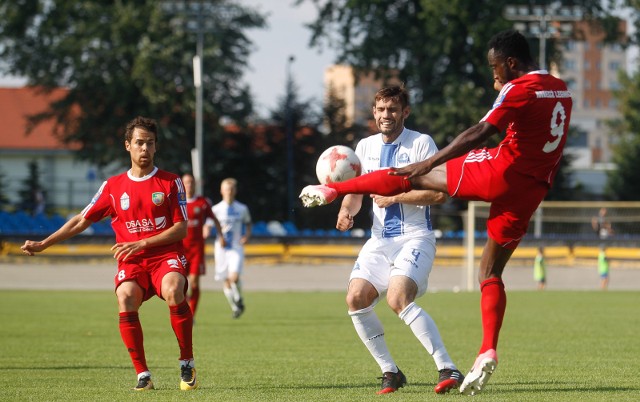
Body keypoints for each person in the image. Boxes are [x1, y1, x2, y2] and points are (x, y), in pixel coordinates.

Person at [299, 29, 573, 395]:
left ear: (510, 63)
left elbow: (480, 132)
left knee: (409, 176)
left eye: (495, 70)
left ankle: (332, 189)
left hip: (500, 171)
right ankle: (485, 349)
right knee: (489, 272)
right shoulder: (562, 90)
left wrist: (429, 162)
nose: (494, 79)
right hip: (532, 189)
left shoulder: (516, 89)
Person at [21, 116, 198, 392]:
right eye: (139, 142)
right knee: (125, 296)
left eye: (150, 143)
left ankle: (186, 362)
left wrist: (142, 243)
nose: (145, 149)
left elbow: (181, 229)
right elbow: (81, 220)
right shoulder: (113, 187)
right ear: (127, 145)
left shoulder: (171, 182)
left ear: (156, 147)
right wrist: (45, 243)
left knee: (175, 290)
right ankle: (143, 374)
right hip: (133, 262)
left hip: (165, 257)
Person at [336, 85, 464, 395]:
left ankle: (448, 367)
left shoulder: (421, 144)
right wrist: (345, 211)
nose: (385, 115)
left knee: (397, 299)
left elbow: (440, 192)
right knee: (355, 299)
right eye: (380, 110)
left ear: (405, 112)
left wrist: (397, 196)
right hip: (378, 241)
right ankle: (389, 371)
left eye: (392, 110)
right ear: (374, 113)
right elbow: (356, 192)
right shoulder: (364, 147)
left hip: (415, 238)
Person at [206, 178, 252, 319]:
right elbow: (208, 225)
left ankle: (238, 298)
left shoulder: (242, 208)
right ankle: (236, 306)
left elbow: (248, 223)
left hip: (236, 247)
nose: (229, 192)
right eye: (226, 189)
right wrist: (205, 231)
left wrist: (246, 236)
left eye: (231, 189)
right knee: (225, 280)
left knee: (234, 277)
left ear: (235, 191)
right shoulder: (216, 209)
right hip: (221, 248)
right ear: (222, 191)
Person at [182, 173, 224, 319]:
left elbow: (214, 220)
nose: (189, 185)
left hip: (196, 249)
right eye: (186, 182)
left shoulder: (203, 202)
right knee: (180, 285)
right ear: (182, 184)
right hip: (180, 249)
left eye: (191, 182)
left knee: (193, 283)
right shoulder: (177, 202)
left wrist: (220, 235)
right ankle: (185, 306)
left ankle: (192, 315)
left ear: (195, 184)